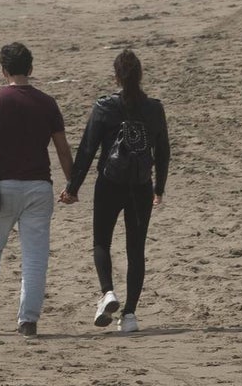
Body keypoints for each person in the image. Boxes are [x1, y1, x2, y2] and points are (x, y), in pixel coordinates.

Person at [0, 42, 74, 338]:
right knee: (35, 256)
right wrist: (72, 185)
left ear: (3, 70)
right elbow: (62, 150)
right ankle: (28, 321)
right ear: (31, 68)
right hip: (39, 186)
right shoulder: (47, 102)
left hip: (3, 186)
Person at [61, 49, 170, 334]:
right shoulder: (154, 108)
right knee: (136, 250)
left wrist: (72, 188)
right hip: (141, 186)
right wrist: (159, 187)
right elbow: (163, 151)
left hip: (109, 184)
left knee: (101, 242)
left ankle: (107, 292)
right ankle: (130, 315)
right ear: (140, 76)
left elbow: (87, 150)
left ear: (116, 77)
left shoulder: (104, 107)